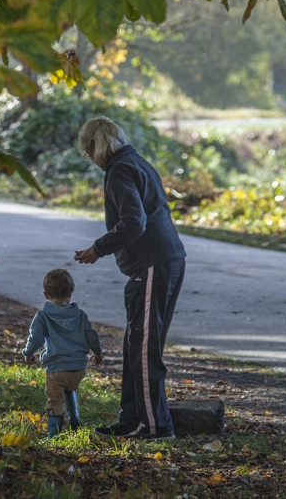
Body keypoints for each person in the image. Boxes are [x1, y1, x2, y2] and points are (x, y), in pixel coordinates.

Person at [74, 117, 186, 441]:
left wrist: (98, 248)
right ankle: (130, 419)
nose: (89, 158)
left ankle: (155, 427)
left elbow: (133, 222)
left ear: (97, 144)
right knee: (135, 344)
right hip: (163, 261)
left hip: (153, 263)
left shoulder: (120, 169)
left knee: (144, 350)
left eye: (87, 150)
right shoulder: (135, 161)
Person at [21, 269, 103, 439]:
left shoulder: (43, 316)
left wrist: (28, 353)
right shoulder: (80, 315)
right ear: (70, 292)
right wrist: (98, 352)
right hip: (78, 368)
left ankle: (54, 435)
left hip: (56, 369)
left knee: (55, 401)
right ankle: (74, 421)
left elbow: (35, 338)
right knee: (71, 389)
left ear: (45, 295)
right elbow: (92, 335)